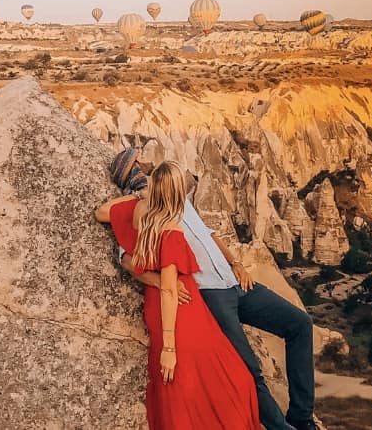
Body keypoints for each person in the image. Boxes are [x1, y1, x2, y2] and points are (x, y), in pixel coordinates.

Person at [108, 148, 317, 430]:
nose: (146, 161)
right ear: (133, 174)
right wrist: (157, 281)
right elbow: (127, 259)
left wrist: (236, 262)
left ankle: (302, 419)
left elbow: (209, 234)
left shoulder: (178, 197)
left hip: (234, 282)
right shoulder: (142, 211)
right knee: (249, 369)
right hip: (210, 294)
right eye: (138, 162)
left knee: (300, 324)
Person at [95, 162, 258, 429]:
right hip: (180, 311)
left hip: (158, 304)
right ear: (176, 194)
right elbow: (170, 289)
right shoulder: (170, 228)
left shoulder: (138, 212)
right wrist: (169, 348)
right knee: (234, 382)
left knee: (183, 387)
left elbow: (102, 213)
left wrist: (137, 195)